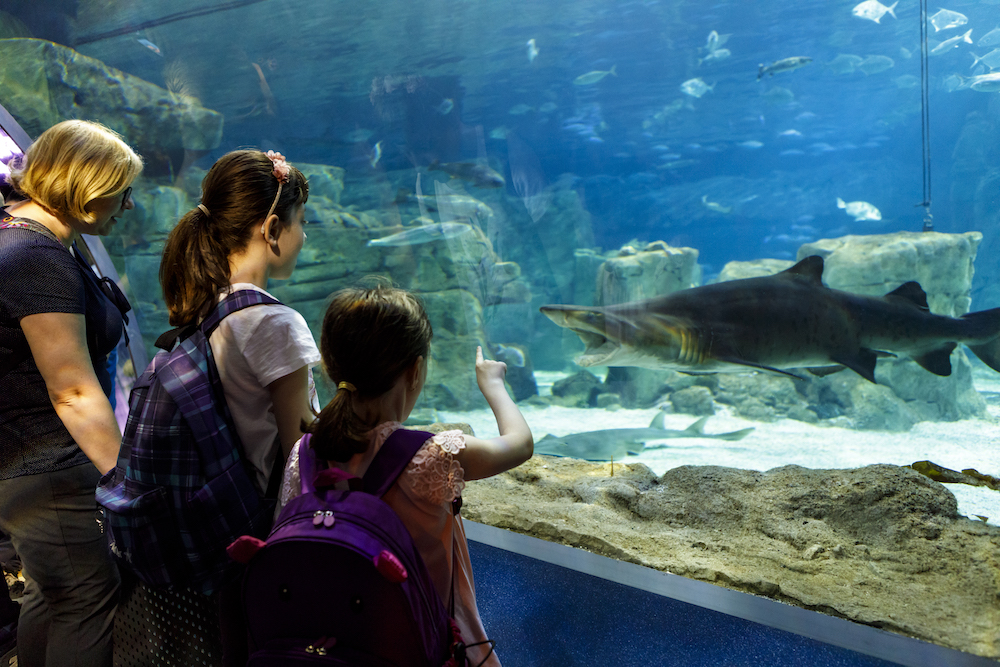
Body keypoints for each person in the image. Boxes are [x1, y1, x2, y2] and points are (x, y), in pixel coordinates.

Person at [276, 282, 534, 667]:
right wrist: (493, 383)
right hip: (423, 649)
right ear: (415, 370)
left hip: (336, 650)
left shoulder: (304, 454)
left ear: (330, 366)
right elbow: (519, 443)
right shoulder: (431, 455)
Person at [158, 148, 318, 663]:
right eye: (301, 222)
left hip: (227, 530)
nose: (305, 235)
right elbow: (301, 448)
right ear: (272, 228)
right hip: (271, 533)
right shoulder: (273, 322)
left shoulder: (209, 309)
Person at [0, 119, 143, 667]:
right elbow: (74, 393)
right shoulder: (37, 260)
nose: (127, 206)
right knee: (87, 599)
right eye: (121, 191)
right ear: (86, 188)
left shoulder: (21, 236)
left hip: (24, 472)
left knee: (52, 594)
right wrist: (124, 480)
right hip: (50, 473)